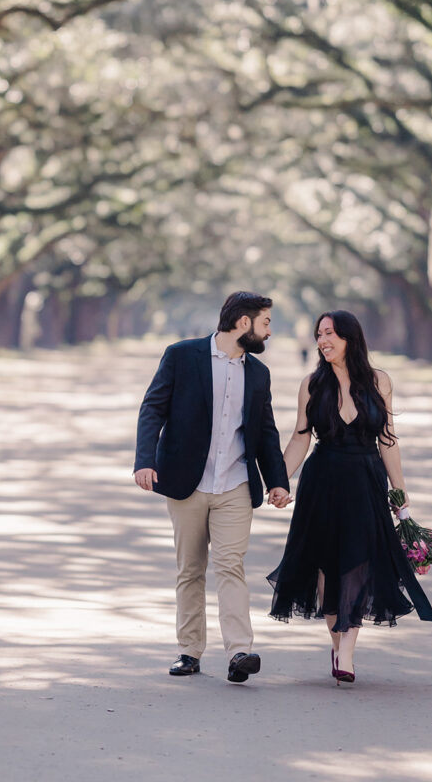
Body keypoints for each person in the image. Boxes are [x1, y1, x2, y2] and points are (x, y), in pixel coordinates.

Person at [267, 310, 432, 685]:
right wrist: (280, 482)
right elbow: (300, 437)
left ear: (349, 337)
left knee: (358, 562)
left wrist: (401, 495)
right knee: (326, 569)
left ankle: (347, 649)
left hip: (365, 480)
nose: (322, 340)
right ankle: (336, 640)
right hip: (321, 482)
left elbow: (388, 441)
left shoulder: (380, 381)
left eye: (329, 333)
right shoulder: (312, 384)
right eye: (318, 334)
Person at [134, 291, 290, 683]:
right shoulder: (181, 356)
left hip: (235, 484)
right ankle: (189, 651)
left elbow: (266, 432)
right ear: (243, 322)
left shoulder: (258, 374)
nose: (270, 331)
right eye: (266, 322)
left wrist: (277, 482)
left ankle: (240, 651)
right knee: (190, 569)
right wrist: (145, 461)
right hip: (187, 482)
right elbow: (153, 407)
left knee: (230, 565)